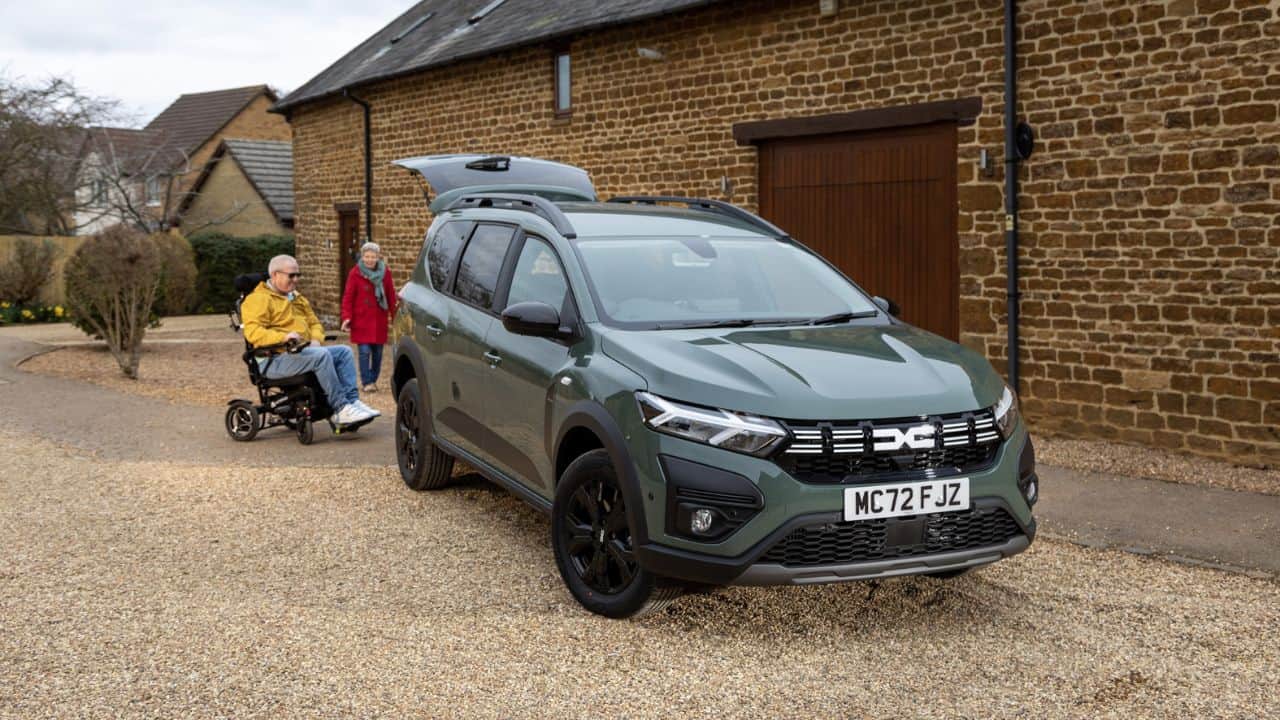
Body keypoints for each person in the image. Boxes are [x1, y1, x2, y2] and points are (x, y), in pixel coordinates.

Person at [241, 255, 379, 426]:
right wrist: (283, 337)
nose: (296, 280)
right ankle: (341, 409)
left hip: (301, 352)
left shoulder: (296, 297)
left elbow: (314, 323)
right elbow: (253, 332)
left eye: (298, 275)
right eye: (291, 275)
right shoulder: (258, 299)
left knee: (344, 351)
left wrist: (316, 339)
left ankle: (352, 402)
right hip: (273, 359)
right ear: (275, 275)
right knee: (321, 356)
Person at [340, 242, 397, 393]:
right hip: (361, 320)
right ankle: (367, 382)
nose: (370, 260)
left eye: (373, 256)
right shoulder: (355, 273)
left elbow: (391, 296)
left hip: (379, 319)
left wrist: (396, 316)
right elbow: (348, 297)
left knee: (378, 353)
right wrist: (346, 317)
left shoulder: (385, 273)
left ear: (378, 257)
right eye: (367, 256)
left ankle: (373, 378)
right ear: (362, 256)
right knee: (364, 352)